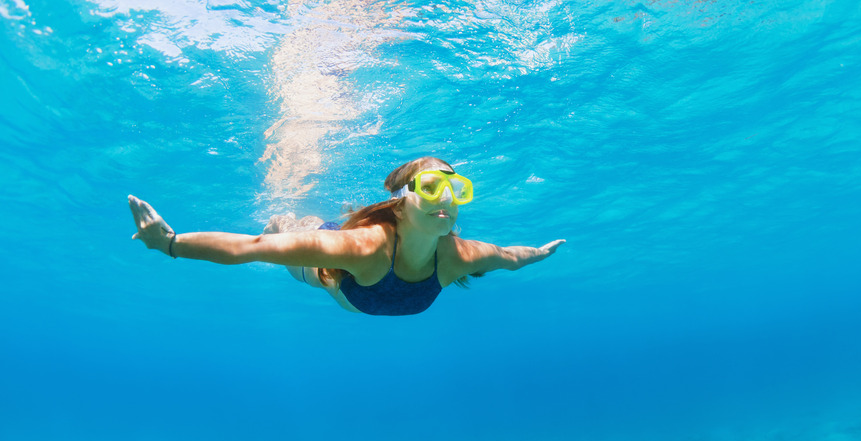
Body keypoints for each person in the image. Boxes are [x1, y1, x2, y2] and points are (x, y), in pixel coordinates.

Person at [128, 157, 565, 315]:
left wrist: (539, 254)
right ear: (401, 200)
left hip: (360, 249)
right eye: (432, 186)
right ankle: (290, 213)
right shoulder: (363, 248)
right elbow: (252, 249)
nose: (447, 197)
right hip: (333, 274)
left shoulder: (459, 255)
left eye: (457, 189)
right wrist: (169, 243)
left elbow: (510, 256)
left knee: (331, 225)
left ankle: (340, 215)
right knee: (285, 229)